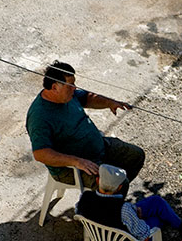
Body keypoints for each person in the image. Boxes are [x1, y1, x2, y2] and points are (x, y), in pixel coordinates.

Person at [26, 61, 145, 190]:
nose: (75, 88)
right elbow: (40, 154)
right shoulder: (39, 117)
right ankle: (107, 201)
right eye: (70, 85)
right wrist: (76, 161)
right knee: (118, 185)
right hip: (73, 168)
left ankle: (109, 198)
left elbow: (88, 98)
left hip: (99, 146)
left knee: (136, 155)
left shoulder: (67, 96)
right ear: (55, 87)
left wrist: (110, 103)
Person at [76, 164, 182, 241]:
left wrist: (133, 212)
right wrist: (136, 216)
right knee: (157, 219)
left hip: (101, 240)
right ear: (119, 187)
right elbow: (144, 235)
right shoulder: (124, 209)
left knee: (155, 201)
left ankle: (179, 225)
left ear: (98, 180)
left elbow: (78, 213)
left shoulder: (85, 197)